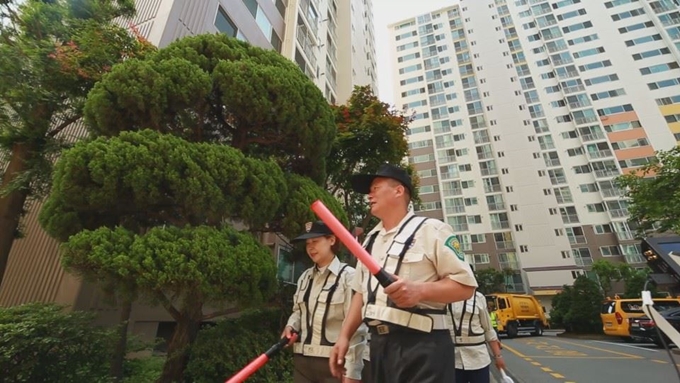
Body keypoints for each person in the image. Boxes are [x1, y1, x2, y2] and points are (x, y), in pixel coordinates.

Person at [328, 163, 478, 383]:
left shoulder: (432, 230)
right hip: (379, 347)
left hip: (423, 346)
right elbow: (360, 293)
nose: (369, 195)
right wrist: (344, 336)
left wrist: (420, 291)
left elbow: (466, 286)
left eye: (375, 188)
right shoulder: (370, 240)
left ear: (398, 191)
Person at [282, 221, 367, 383]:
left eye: (315, 241)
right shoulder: (304, 277)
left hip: (334, 364)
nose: (310, 247)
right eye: (307, 243)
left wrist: (352, 372)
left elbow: (356, 329)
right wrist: (290, 326)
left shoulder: (349, 277)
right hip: (302, 363)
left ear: (332, 240)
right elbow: (298, 311)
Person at [450, 290, 505, 383]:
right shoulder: (441, 297)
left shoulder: (478, 297)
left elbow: (488, 329)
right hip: (452, 359)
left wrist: (498, 356)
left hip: (478, 358)